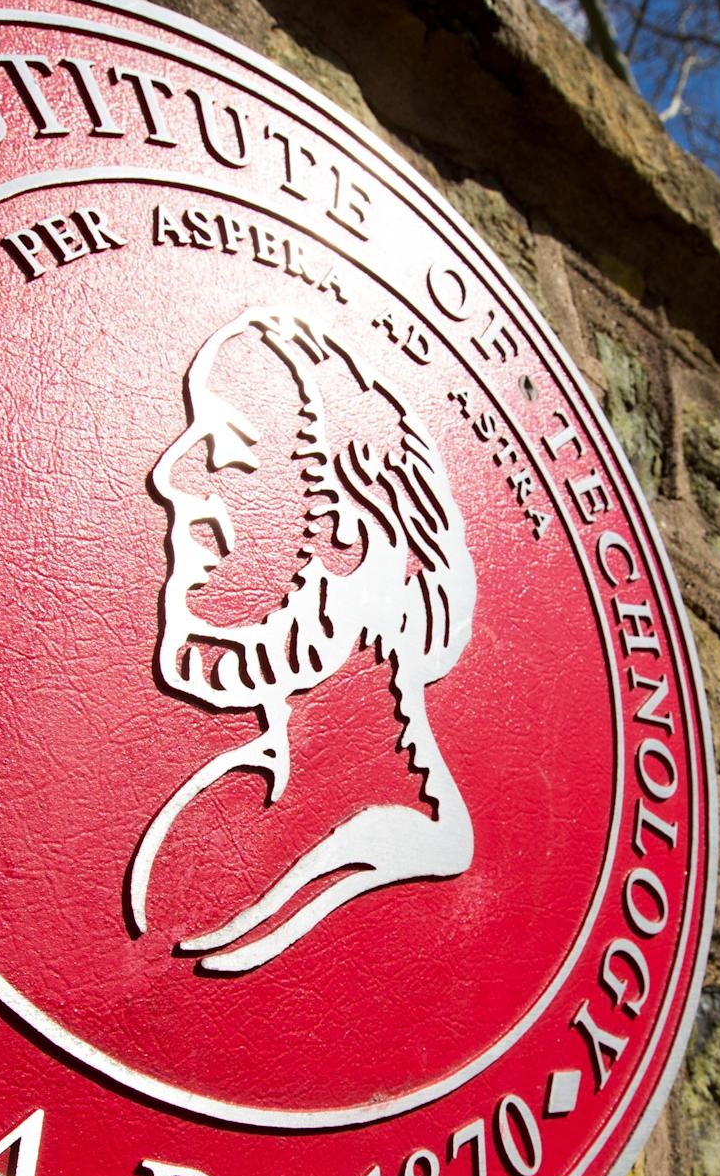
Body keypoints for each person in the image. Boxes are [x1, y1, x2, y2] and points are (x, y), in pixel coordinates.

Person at [134, 307, 477, 974]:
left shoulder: (394, 861)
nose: (174, 476)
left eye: (226, 448)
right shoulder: (213, 819)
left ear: (350, 536)